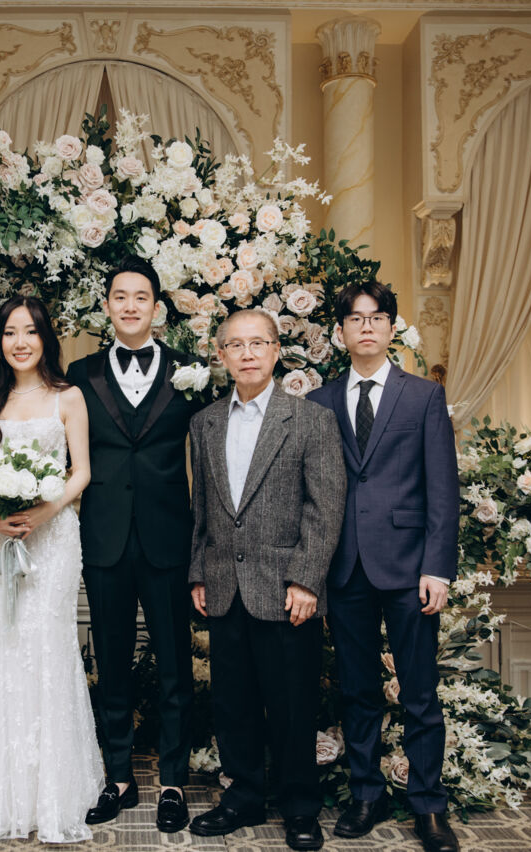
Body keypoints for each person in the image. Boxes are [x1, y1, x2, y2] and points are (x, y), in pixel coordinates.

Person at [307, 281, 461, 852]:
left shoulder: (422, 396)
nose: (366, 326)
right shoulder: (320, 402)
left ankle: (429, 807)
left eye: (376, 318)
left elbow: (442, 488)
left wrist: (437, 568)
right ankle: (366, 795)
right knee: (358, 691)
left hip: (409, 568)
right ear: (340, 331)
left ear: (392, 328)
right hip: (346, 567)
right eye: (355, 318)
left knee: (419, 693)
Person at [187, 309, 345, 852]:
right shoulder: (205, 422)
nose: (247, 353)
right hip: (223, 585)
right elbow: (203, 508)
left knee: (293, 704)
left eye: (258, 343)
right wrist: (198, 573)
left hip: (286, 589)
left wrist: (306, 580)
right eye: (236, 345)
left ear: (277, 351)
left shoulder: (310, 420)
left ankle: (300, 806)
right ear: (222, 355)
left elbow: (325, 508)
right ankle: (243, 797)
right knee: (232, 703)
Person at [0, 295, 105, 844]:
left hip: (54, 539)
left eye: (30, 332)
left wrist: (43, 511)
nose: (20, 342)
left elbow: (81, 471)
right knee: (8, 644)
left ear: (45, 339)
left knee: (48, 644)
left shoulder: (68, 396)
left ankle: (55, 787)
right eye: (10, 332)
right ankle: (5, 784)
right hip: (0, 538)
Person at [65, 256, 203, 833]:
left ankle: (172, 781)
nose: (129, 306)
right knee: (112, 663)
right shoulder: (79, 373)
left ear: (157, 308)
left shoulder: (191, 373)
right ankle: (118, 777)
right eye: (119, 296)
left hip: (169, 539)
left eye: (140, 297)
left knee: (175, 667)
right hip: (105, 538)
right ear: (107, 306)